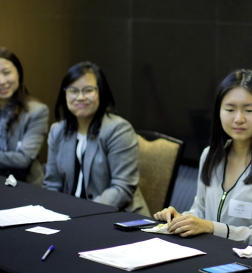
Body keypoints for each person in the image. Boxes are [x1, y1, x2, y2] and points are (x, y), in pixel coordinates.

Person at [154, 69, 252, 244]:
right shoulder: (209, 155)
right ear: (218, 112)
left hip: (246, 262)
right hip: (205, 252)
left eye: (248, 110)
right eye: (230, 109)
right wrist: (180, 219)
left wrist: (211, 227)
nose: (239, 119)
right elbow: (199, 211)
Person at [43, 61, 149, 214]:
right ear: (64, 94)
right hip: (69, 216)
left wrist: (79, 212)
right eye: (73, 90)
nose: (80, 97)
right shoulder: (57, 131)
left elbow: (122, 189)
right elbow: (52, 185)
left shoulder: (118, 129)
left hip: (118, 216)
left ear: (101, 92)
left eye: (88, 90)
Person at [0, 47, 49, 185]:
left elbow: (24, 159)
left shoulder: (37, 111)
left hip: (26, 188)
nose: (2, 81)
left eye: (6, 72)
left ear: (19, 73)